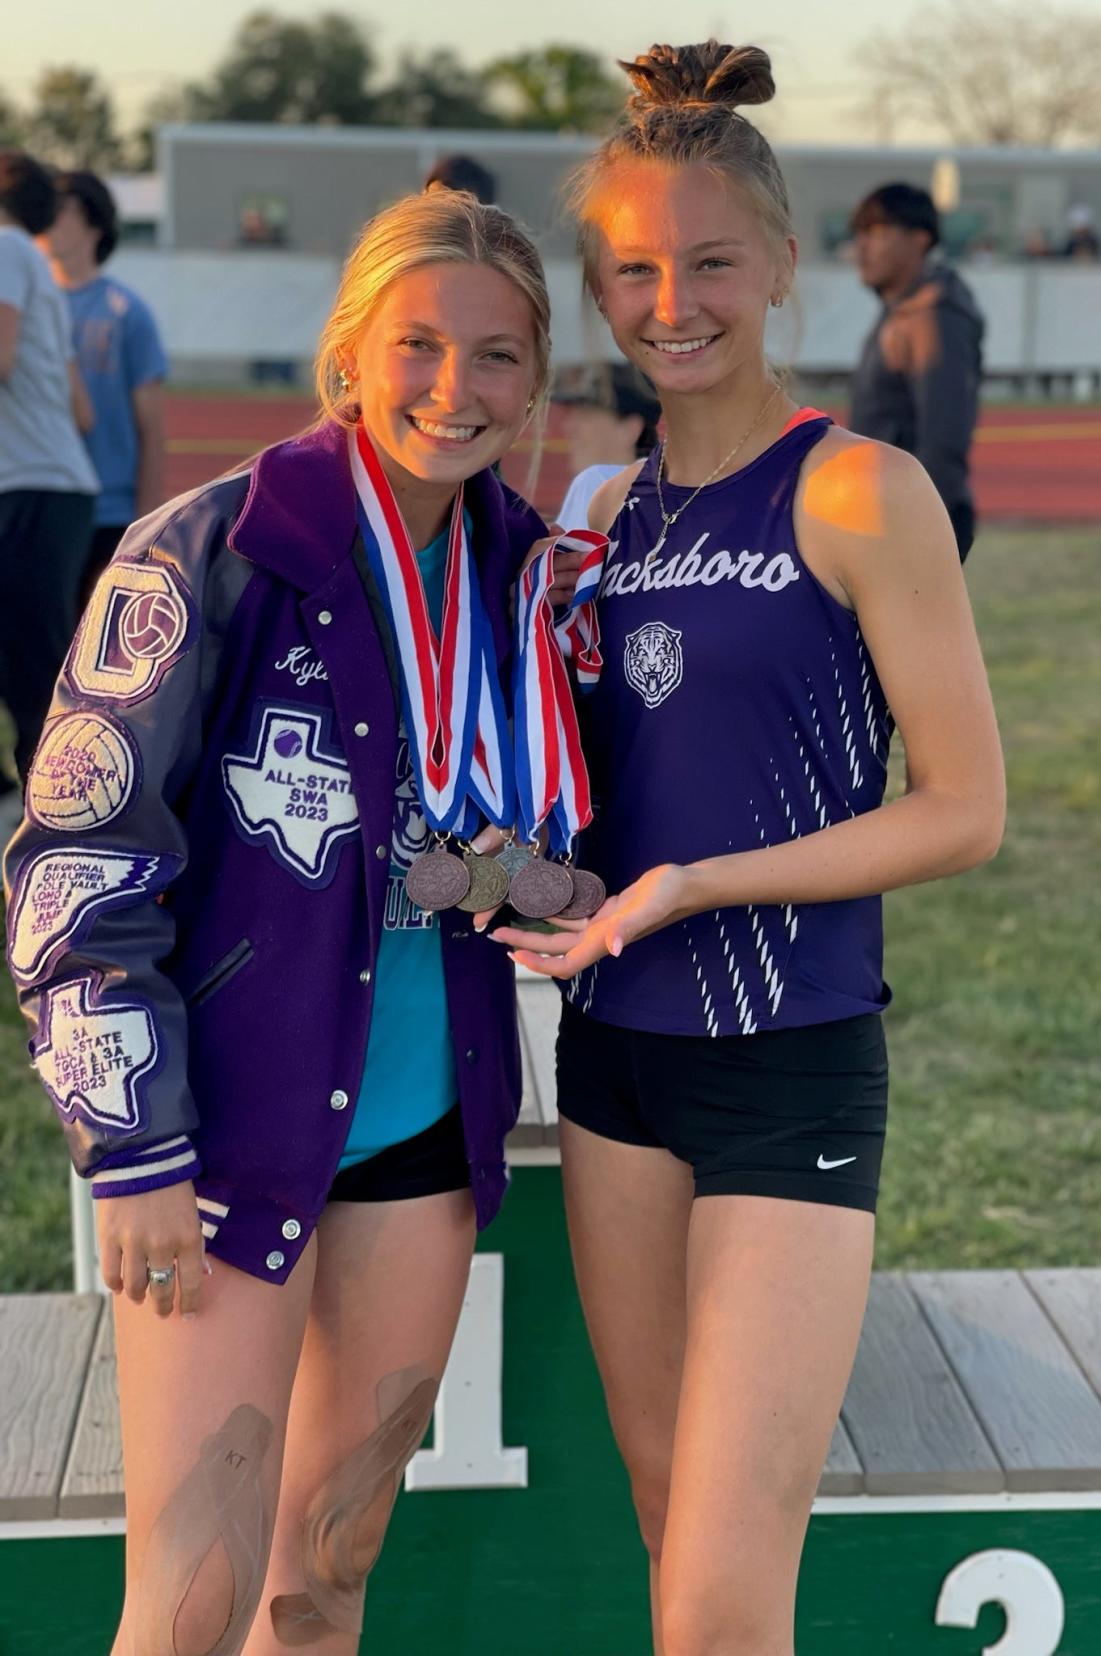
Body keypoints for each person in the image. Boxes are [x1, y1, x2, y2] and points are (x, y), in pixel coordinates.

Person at [491, 40, 1005, 1656]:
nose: (671, 301)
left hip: (785, 1060)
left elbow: (962, 808)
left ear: (782, 266)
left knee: (720, 1596)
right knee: (665, 1526)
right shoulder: (594, 509)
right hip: (617, 1065)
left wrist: (700, 885)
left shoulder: (857, 491)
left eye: (709, 261)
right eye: (631, 269)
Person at [3, 185, 553, 1654]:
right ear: (351, 348)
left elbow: (555, 831)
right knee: (189, 1607)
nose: (457, 387)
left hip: (424, 1137)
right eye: (420, 343)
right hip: (225, 1143)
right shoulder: (211, 550)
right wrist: (130, 1155)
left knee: (323, 1579)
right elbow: (74, 859)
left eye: (498, 354)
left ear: (536, 378)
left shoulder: (524, 573)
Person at [0, 150, 97, 839]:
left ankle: (65, 816)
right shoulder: (35, 263)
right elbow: (81, 409)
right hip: (52, 484)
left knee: (34, 667)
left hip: (29, 485)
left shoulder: (5, 247)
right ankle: (59, 805)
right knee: (36, 661)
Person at [37, 169, 168, 602]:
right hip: (40, 501)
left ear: (94, 222)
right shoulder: (22, 309)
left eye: (61, 208)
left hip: (108, 512)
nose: (46, 219)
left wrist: (147, 528)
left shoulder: (127, 313)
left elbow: (151, 430)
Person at [848, 181, 984, 560]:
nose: (861, 246)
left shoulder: (935, 318)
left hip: (909, 521)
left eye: (876, 232)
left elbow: (943, 436)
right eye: (858, 233)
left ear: (920, 239)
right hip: (886, 512)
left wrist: (920, 535)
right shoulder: (903, 310)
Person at [552, 359, 661, 528]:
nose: (569, 427)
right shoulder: (666, 487)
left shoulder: (595, 480)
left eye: (585, 416)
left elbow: (576, 553)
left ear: (630, 430)